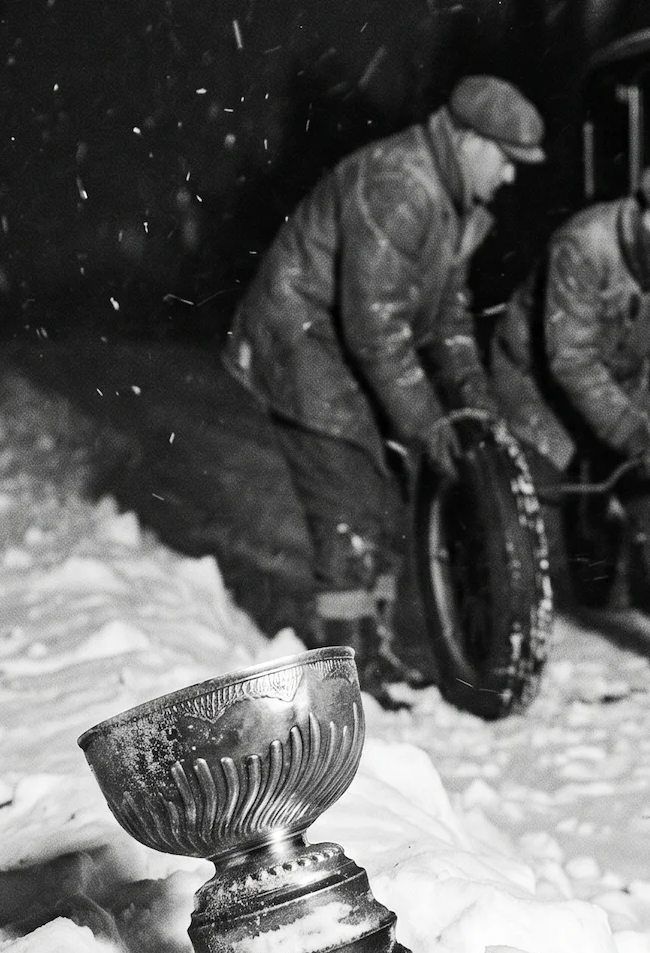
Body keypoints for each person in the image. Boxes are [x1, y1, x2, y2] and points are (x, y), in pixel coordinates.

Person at [221, 75, 544, 693]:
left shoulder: (461, 210)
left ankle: (378, 650)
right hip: (305, 342)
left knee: (392, 494)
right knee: (348, 503)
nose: (509, 178)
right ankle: (350, 666)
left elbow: (448, 315)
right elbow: (377, 327)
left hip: (349, 343)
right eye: (506, 160)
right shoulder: (400, 188)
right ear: (470, 141)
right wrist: (425, 421)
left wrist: (474, 405)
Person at [491, 160, 650, 686]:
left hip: (619, 378)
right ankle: (505, 636)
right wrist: (635, 437)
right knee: (532, 507)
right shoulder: (583, 245)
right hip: (535, 382)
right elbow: (570, 361)